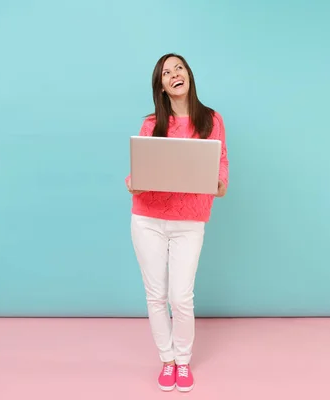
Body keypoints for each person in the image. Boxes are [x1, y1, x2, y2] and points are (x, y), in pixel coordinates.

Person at [124, 53, 229, 392]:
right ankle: (166, 360)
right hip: (148, 218)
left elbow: (221, 161)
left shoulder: (211, 119)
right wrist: (132, 181)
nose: (173, 75)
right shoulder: (151, 123)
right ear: (161, 86)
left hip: (190, 219)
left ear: (188, 75)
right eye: (166, 73)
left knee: (180, 296)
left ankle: (183, 361)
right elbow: (138, 168)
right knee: (155, 295)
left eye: (178, 68)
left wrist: (219, 184)